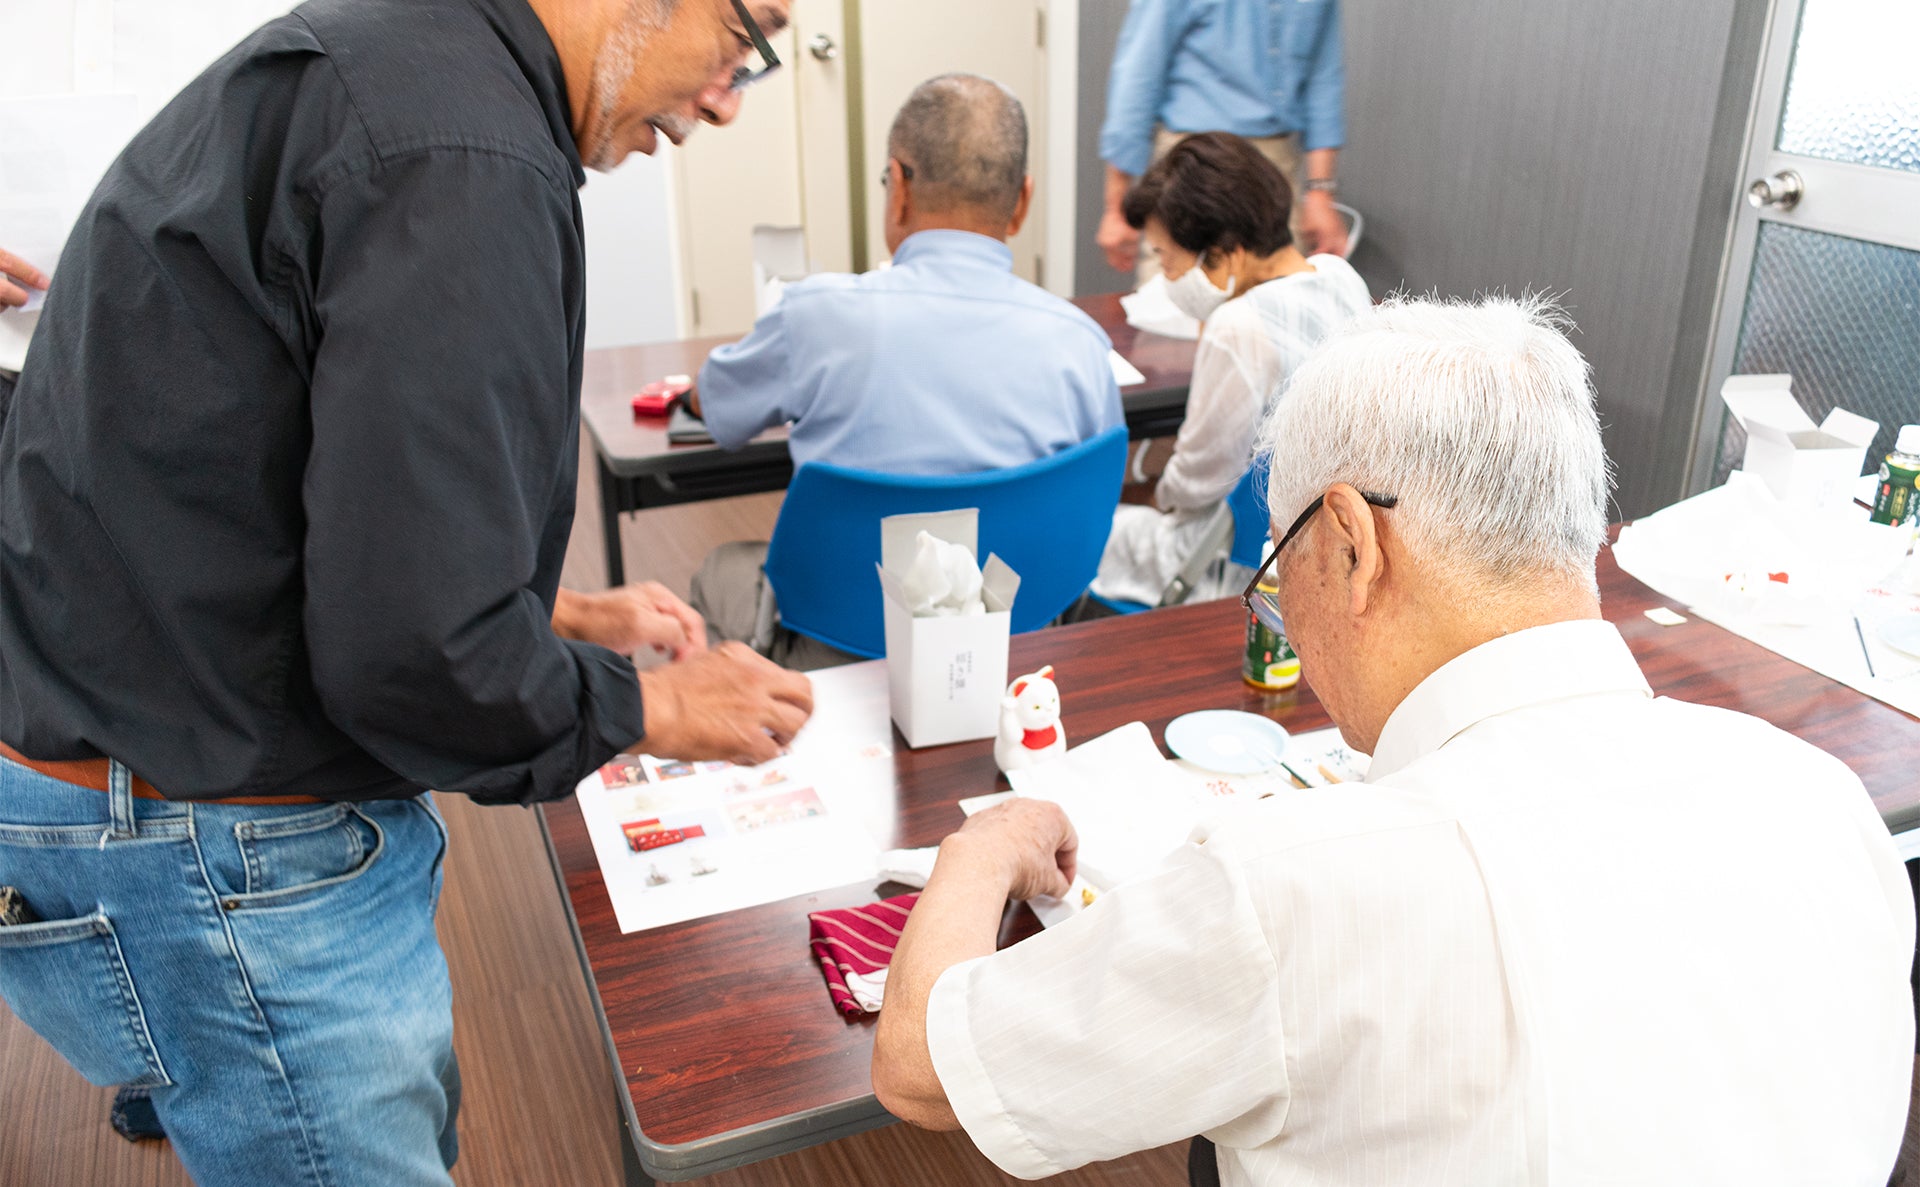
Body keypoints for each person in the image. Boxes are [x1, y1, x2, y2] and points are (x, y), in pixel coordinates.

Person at [0, 0, 812, 1183]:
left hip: (129, 757)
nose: (729, 98)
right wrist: (652, 709)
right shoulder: (462, 155)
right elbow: (417, 648)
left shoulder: (389, 63)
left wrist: (555, 612)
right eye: (748, 36)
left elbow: (287, 478)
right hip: (214, 841)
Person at [871, 296, 1914, 1184]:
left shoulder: (1293, 886)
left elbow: (921, 1065)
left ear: (1353, 544)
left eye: (1281, 569)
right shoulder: (1824, 800)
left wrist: (982, 844)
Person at [686, 73, 1123, 669]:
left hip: (834, 647)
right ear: (1022, 202)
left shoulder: (813, 314)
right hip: (1013, 648)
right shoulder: (1081, 345)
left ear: (898, 188)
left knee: (717, 572)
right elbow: (1087, 502)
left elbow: (719, 414)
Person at [1089, 133, 1369, 607]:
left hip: (1233, 564)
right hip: (1324, 544)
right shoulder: (1340, 276)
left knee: (1090, 534)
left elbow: (1198, 483)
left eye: (1166, 259)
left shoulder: (1237, 327)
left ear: (1224, 253)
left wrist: (1158, 493)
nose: (1167, 277)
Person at [1096, 0, 1348, 279]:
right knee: (1175, 305)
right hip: (1193, 165)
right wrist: (1116, 208)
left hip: (1274, 167)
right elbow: (1140, 73)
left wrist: (1321, 193)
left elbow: (1323, 79)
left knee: (1275, 300)